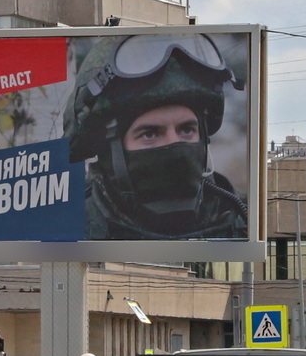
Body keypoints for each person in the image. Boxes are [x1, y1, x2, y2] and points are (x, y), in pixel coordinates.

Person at [67, 33, 248, 239]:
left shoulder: (245, 220)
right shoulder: (66, 230)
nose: (174, 144)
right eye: (150, 133)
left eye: (186, 130)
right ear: (109, 148)